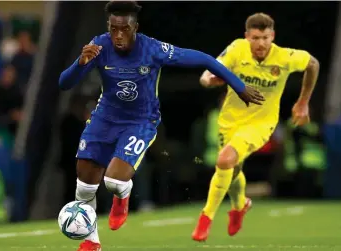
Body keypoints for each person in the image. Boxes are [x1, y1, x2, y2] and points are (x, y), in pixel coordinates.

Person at [59, 2, 264, 250]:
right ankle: (91, 242)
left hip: (140, 121)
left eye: (124, 29)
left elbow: (204, 59)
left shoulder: (153, 49)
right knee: (84, 186)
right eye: (113, 29)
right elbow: (64, 83)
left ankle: (122, 197)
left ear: (136, 27)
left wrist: (239, 87)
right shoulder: (99, 45)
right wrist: (79, 64)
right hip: (104, 118)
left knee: (113, 182)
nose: (118, 35)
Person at [192, 12, 320, 242]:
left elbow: (313, 64)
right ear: (246, 37)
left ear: (272, 36)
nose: (260, 43)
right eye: (255, 38)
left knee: (224, 160)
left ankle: (205, 219)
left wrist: (303, 103)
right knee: (233, 170)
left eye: (264, 37)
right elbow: (207, 72)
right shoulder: (236, 49)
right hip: (230, 120)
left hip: (260, 123)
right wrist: (209, 80)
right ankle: (240, 205)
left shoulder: (284, 57)